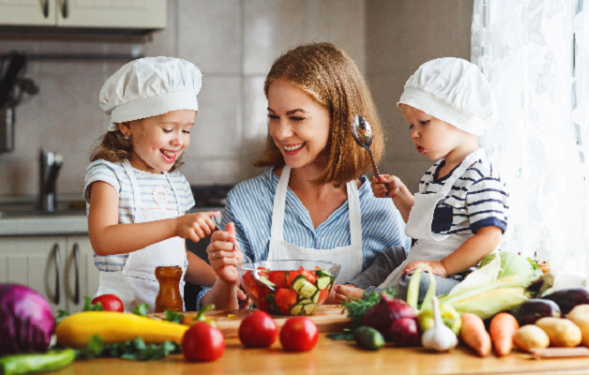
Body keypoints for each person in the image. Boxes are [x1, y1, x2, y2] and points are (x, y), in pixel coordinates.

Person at [200, 42, 412, 309]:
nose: (280, 132)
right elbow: (214, 314)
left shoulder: (383, 208)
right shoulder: (246, 202)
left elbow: (400, 304)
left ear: (339, 118)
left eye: (297, 118)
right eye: (273, 116)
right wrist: (226, 282)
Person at [335, 57, 509, 302]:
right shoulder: (434, 173)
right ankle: (352, 288)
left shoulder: (481, 176)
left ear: (458, 117)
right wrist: (400, 194)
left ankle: (370, 298)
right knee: (393, 255)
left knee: (420, 283)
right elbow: (424, 226)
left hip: (458, 277)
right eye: (411, 126)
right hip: (428, 262)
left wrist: (443, 267)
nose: (414, 133)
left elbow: (490, 237)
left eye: (423, 123)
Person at [84, 57, 219, 313]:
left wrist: (223, 280)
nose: (179, 141)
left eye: (187, 130)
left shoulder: (175, 182)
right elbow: (103, 240)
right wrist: (176, 225)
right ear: (127, 125)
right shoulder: (108, 174)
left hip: (169, 314)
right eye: (168, 129)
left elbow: (179, 259)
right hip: (119, 315)